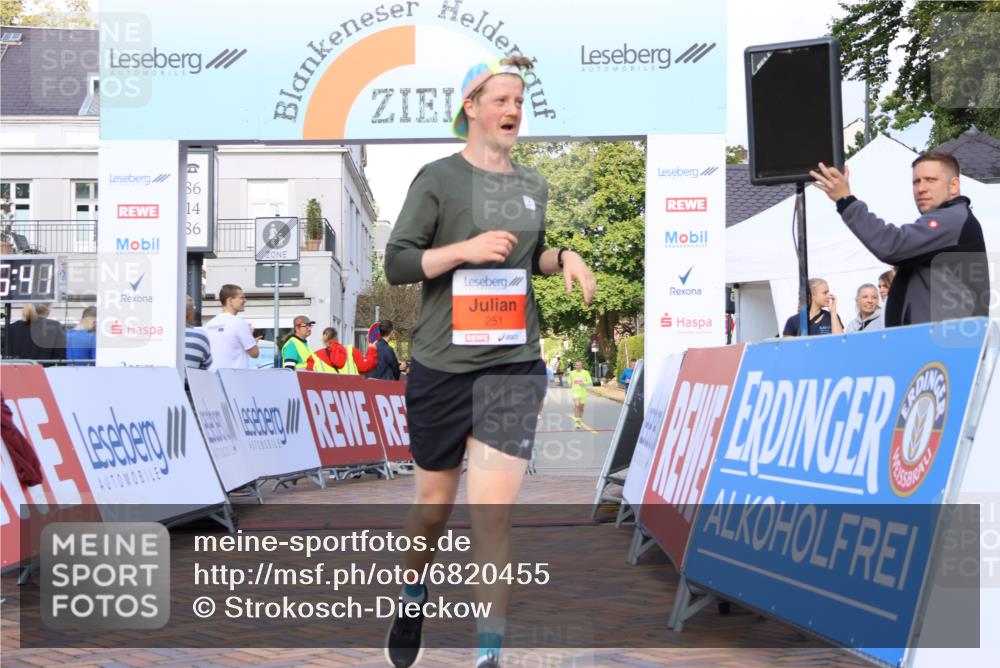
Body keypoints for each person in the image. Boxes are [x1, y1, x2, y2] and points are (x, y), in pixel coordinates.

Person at [382, 55, 596, 668]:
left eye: (519, 102)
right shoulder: (438, 179)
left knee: (491, 516)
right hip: (441, 367)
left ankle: (489, 656)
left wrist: (565, 257)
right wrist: (463, 250)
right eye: (500, 100)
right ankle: (413, 592)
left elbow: (527, 259)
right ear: (470, 108)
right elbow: (398, 263)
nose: (512, 111)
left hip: (511, 363)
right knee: (431, 513)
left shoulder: (533, 185)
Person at [810, 153, 989, 326]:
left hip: (943, 348)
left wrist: (845, 200)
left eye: (931, 180)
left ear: (954, 186)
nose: (921, 188)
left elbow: (892, 245)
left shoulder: (951, 219)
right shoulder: (952, 219)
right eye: (916, 182)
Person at [204, 284, 260, 370]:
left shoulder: (209, 324)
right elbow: (255, 354)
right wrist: (251, 338)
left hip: (213, 376)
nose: (245, 300)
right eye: (241, 298)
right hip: (234, 378)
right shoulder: (239, 323)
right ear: (230, 300)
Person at [308, 327, 378, 374]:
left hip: (324, 395)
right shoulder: (350, 351)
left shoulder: (314, 357)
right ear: (337, 337)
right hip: (350, 394)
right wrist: (372, 349)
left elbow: (307, 379)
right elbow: (365, 366)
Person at [184, 296, 212, 371]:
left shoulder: (159, 334)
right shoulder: (200, 336)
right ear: (190, 313)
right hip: (189, 382)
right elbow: (206, 364)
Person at [567, 360, 593, 429]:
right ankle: (577, 422)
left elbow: (590, 381)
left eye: (579, 365)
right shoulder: (572, 373)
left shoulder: (585, 372)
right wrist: (570, 382)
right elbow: (569, 381)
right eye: (577, 365)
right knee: (577, 405)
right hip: (575, 392)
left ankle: (579, 419)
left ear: (582, 366)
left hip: (583, 393)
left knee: (581, 408)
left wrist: (583, 382)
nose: (578, 367)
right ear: (575, 366)